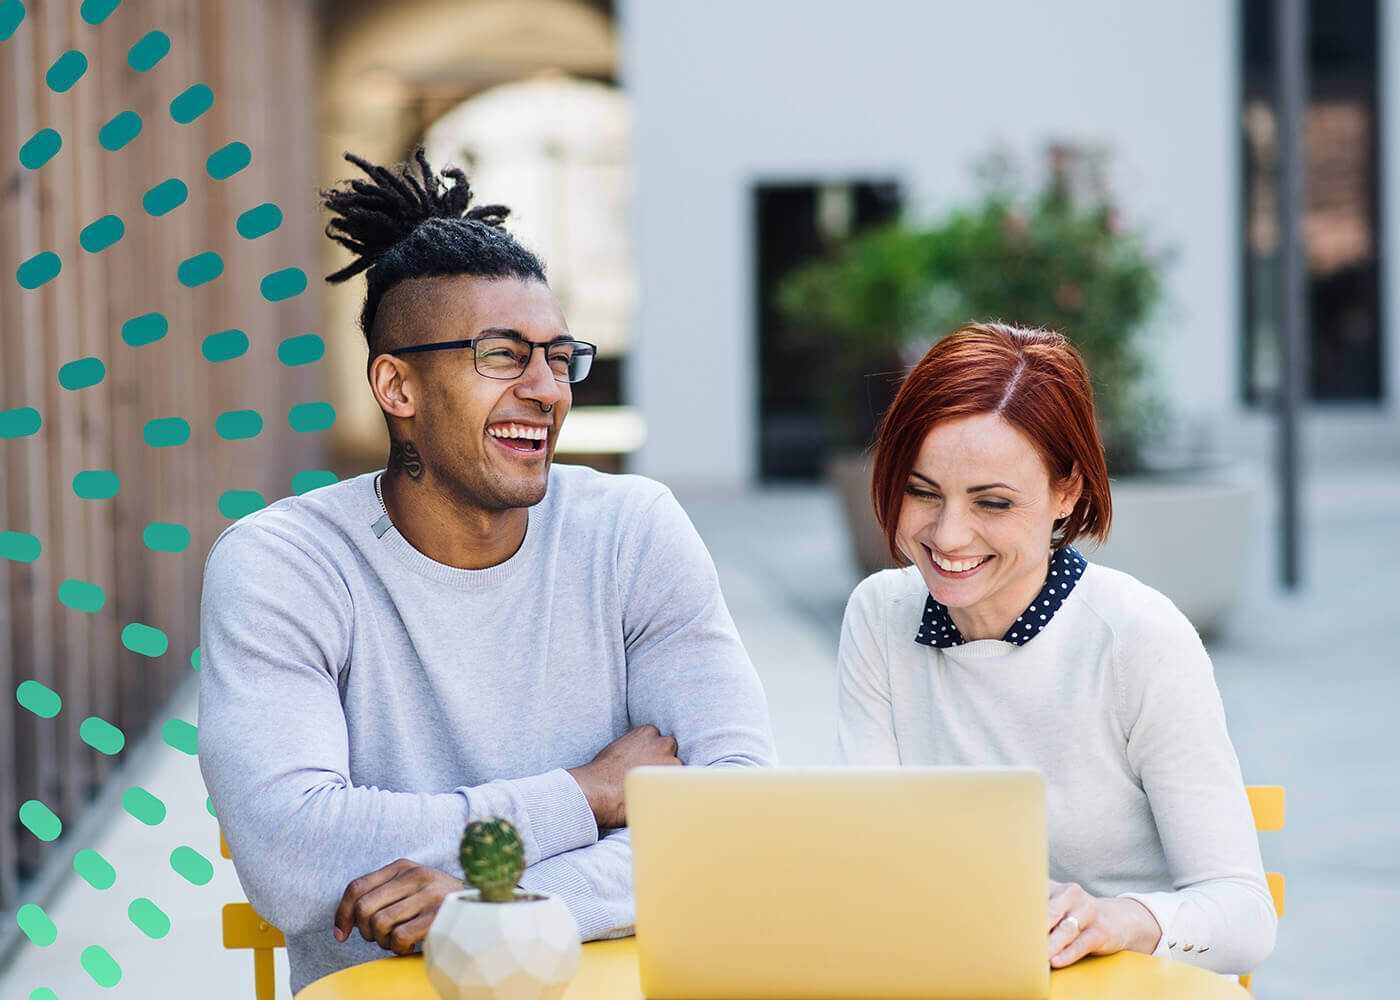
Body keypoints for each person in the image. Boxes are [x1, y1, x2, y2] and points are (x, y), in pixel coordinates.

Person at [198, 150, 776, 994]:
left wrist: (505, 901)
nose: (547, 389)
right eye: (503, 355)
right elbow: (291, 851)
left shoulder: (632, 532)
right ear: (397, 385)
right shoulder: (286, 565)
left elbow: (738, 816)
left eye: (557, 355)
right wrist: (586, 794)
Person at [835, 322, 1276, 976]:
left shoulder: (1137, 638)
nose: (949, 535)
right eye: (922, 491)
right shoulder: (880, 614)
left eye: (992, 502)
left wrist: (1118, 918)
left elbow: (1244, 913)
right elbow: (870, 856)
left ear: (1066, 491)